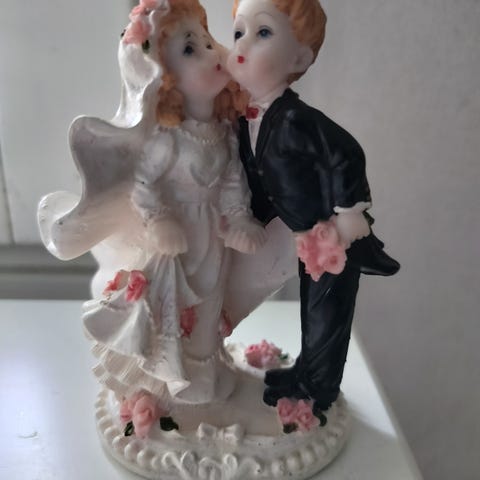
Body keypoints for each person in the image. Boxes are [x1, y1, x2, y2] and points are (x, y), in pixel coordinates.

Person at [38, 0, 297, 408]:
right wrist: (158, 221)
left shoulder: (225, 132)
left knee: (211, 306)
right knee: (180, 311)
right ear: (167, 77)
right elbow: (144, 185)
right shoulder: (167, 139)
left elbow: (232, 181)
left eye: (207, 41)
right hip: (178, 248)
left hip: (213, 239)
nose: (211, 52)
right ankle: (180, 380)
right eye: (190, 49)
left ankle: (208, 369)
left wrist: (238, 219)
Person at [227, 0, 400, 415]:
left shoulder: (295, 119)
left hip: (334, 236)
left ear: (299, 59)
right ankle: (305, 372)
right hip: (304, 235)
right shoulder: (246, 119)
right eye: (238, 33)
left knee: (328, 313)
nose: (242, 45)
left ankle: (318, 390)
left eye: (263, 33)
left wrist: (349, 214)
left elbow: (347, 152)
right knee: (313, 306)